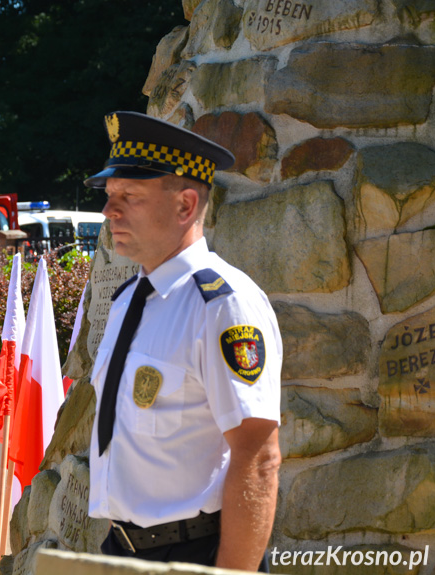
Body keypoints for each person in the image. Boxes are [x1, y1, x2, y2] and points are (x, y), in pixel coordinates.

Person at [84, 111, 282, 572]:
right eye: (110, 196)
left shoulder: (222, 306)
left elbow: (258, 456)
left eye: (128, 196)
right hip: (122, 551)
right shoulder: (127, 301)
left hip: (197, 554)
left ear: (185, 206)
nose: (109, 211)